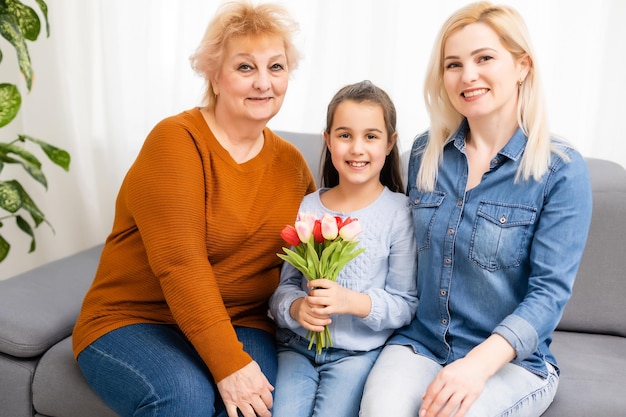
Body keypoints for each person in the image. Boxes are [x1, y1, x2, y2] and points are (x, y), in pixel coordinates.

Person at [72, 2, 315, 417]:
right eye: (245, 68)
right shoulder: (176, 142)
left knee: (259, 406)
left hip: (242, 319)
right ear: (214, 76)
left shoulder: (292, 164)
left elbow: (312, 249)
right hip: (137, 318)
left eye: (276, 67)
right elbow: (180, 264)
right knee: (184, 398)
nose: (263, 83)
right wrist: (228, 363)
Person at [360, 2, 593, 417]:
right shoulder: (424, 153)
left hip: (510, 364)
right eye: (453, 64)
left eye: (484, 58)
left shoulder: (561, 170)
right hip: (422, 343)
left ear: (522, 66)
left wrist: (476, 367)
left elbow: (549, 294)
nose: (468, 75)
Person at [269, 80, 418, 417]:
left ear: (390, 143)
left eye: (371, 136)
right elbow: (284, 288)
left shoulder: (399, 212)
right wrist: (296, 309)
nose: (357, 149)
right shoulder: (308, 206)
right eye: (345, 135)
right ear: (328, 140)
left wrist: (353, 302)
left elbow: (405, 303)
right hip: (296, 348)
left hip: (357, 355)